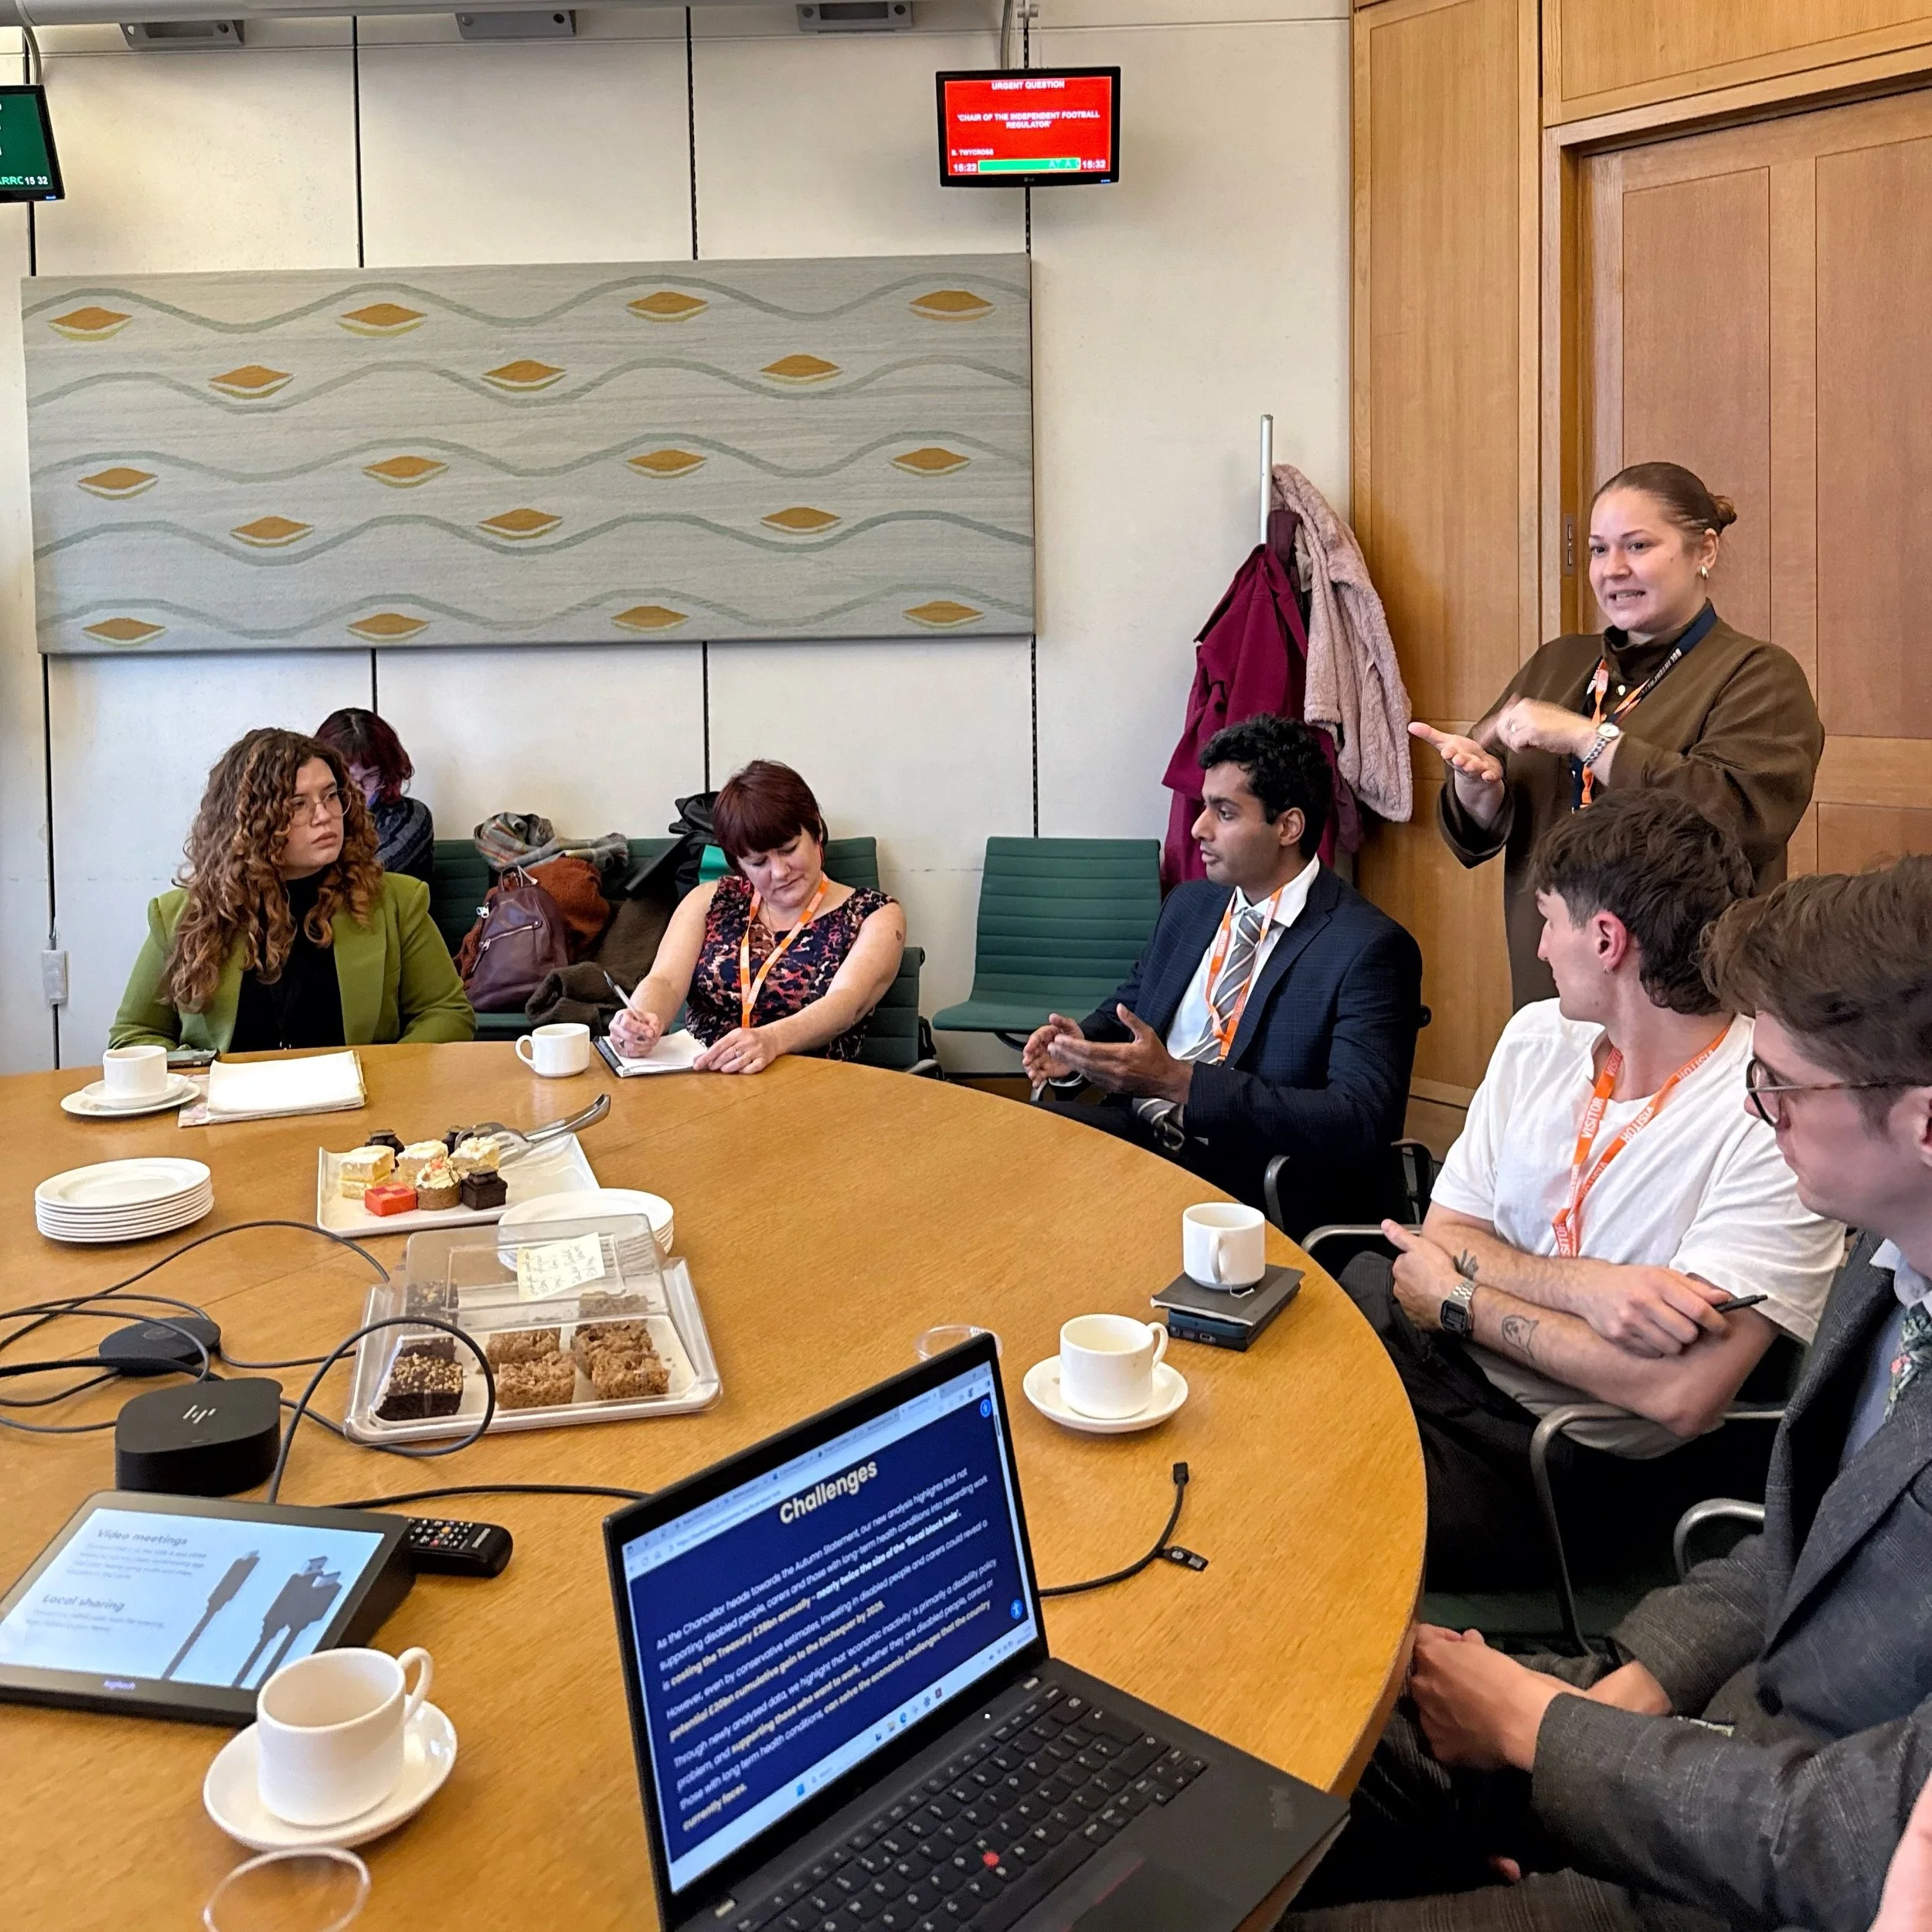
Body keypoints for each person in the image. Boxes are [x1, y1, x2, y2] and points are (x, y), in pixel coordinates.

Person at [1284, 852, 1932, 1932]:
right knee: (1276, 1751)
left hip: (1748, 1873)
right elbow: (1803, 1549)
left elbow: (1859, 1839)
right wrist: (1635, 1681)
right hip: (1687, 1747)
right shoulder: (1892, 1265)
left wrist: (1546, 1731)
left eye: (1779, 1083)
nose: (1757, 1109)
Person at [1345, 792, 1843, 1587]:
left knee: (1294, 1501)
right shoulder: (1539, 1036)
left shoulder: (1768, 1108)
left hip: (1554, 1457)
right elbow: (1444, 1236)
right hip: (1430, 1362)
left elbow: (1678, 1392)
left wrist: (1461, 1300)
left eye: (1548, 921)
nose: (1540, 948)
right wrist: (1592, 1290)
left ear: (1606, 939)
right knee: (1241, 1402)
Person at [1414, 461, 1822, 1009]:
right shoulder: (1558, 662)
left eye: (1637, 546)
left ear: (1705, 550)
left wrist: (1590, 740)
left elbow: (1738, 818)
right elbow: (1479, 829)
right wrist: (1477, 792)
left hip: (1684, 991)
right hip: (1555, 978)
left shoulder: (1760, 673)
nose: (1614, 569)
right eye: (1599, 550)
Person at [1022, 716, 1422, 1232]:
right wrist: (1079, 1050)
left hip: (1251, 1175)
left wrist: (1184, 1084)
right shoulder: (1190, 905)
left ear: (1288, 827)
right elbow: (1133, 1006)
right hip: (1142, 1131)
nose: (1198, 828)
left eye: (1224, 812)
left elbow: (1360, 1119)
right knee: (1009, 1150)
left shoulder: (1368, 948)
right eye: (1204, 806)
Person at [111, 729, 474, 1052]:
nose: (324, 815)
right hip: (228, 1120)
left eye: (331, 796)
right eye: (298, 804)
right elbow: (135, 1034)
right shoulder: (181, 914)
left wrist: (382, 1077)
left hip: (360, 1113)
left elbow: (446, 1013)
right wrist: (200, 1084)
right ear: (251, 822)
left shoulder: (395, 901)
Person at [607, 760, 903, 1074]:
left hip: (812, 1086)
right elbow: (664, 981)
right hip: (702, 1083)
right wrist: (640, 1020)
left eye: (788, 849)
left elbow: (846, 1004)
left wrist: (771, 1040)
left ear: (816, 833)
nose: (779, 871)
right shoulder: (709, 902)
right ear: (739, 865)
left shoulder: (874, 915)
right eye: (758, 862)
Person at [315, 706, 434, 883]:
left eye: (370, 776)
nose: (356, 789)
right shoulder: (312, 815)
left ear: (389, 772)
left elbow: (363, 875)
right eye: (346, 777)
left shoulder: (412, 816)